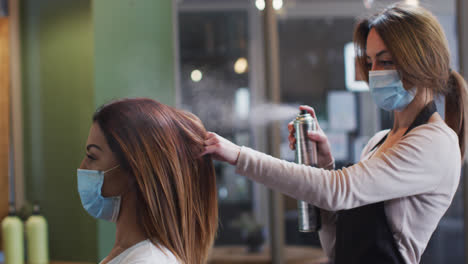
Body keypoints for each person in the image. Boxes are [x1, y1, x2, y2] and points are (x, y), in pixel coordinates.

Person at [202, 3, 467, 264]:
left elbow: (338, 190)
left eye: (385, 61)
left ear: (422, 63)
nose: (374, 73)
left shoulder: (437, 143)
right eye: (370, 61)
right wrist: (324, 165)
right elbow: (336, 249)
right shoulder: (378, 143)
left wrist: (238, 156)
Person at [77, 98, 218, 264]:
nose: (82, 167)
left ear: (134, 170)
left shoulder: (148, 260)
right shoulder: (132, 254)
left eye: (92, 156)